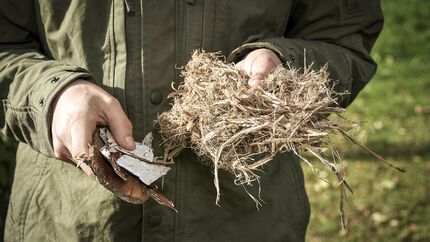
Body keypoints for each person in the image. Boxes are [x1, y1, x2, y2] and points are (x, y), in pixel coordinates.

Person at [0, 0, 383, 241]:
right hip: (69, 221)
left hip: (245, 220)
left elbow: (343, 37)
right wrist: (51, 95)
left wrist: (282, 66)